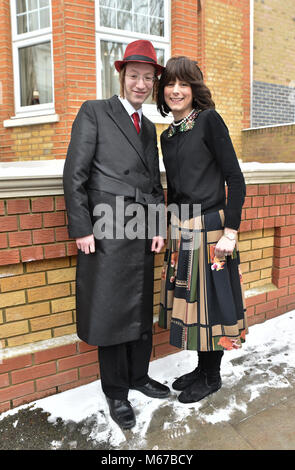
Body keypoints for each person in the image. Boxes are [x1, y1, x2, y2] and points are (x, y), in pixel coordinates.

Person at [63, 40, 170, 430]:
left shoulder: (150, 128)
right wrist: (82, 227)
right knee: (111, 309)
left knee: (139, 307)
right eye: (134, 76)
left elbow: (155, 184)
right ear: (121, 76)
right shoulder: (95, 112)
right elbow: (75, 174)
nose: (140, 84)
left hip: (141, 229)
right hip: (106, 230)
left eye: (148, 78)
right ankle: (116, 391)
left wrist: (159, 226)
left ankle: (139, 376)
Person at [157, 56, 248, 404]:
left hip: (212, 229)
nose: (176, 90)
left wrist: (231, 230)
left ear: (196, 89)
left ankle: (212, 376)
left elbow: (235, 179)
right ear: (162, 90)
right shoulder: (168, 135)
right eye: (170, 84)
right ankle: (201, 367)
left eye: (184, 84)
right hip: (183, 230)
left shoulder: (209, 121)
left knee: (212, 306)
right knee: (194, 307)